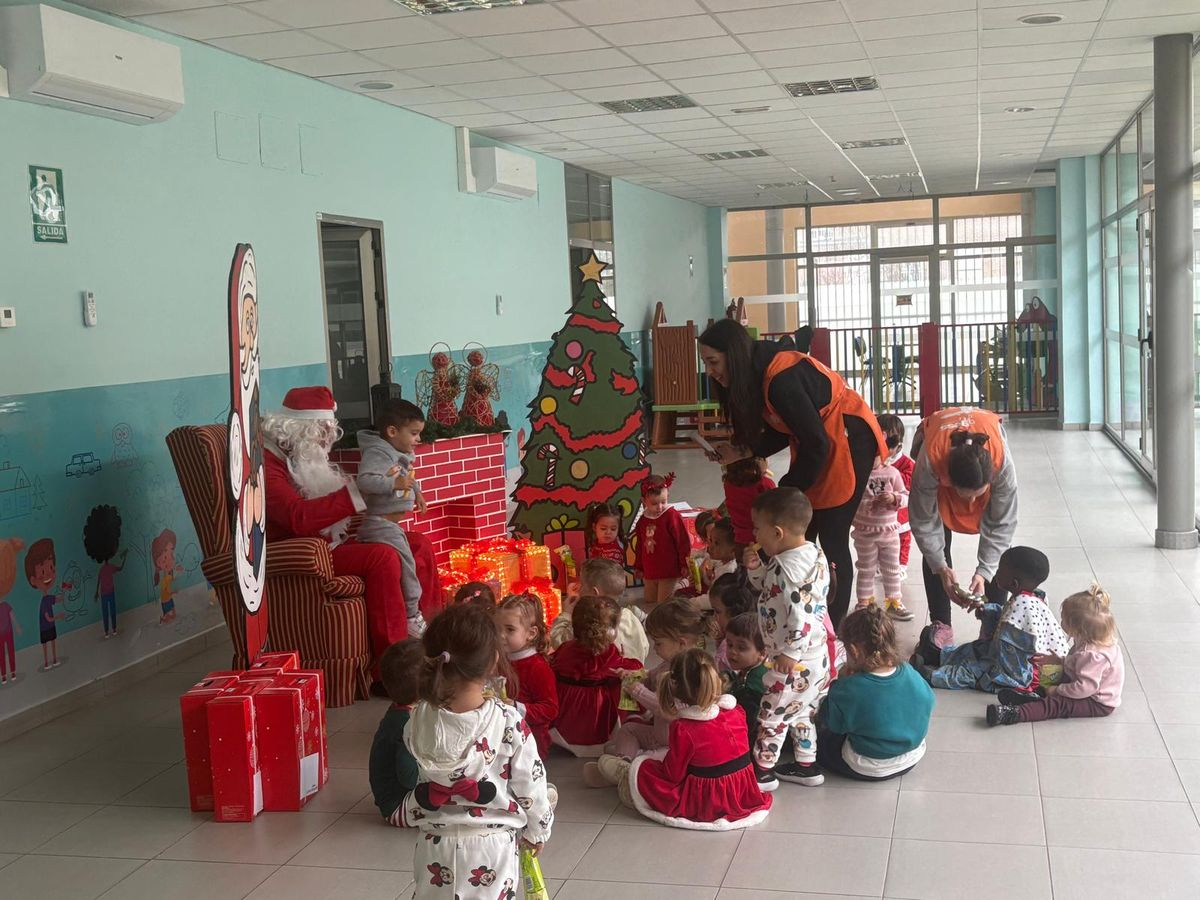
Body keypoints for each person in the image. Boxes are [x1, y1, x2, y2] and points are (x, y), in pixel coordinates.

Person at [699, 319, 888, 627]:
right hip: (818, 440)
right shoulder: (757, 373)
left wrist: (784, 493)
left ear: (733, 355)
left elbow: (815, 443)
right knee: (803, 531)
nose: (710, 371)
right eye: (706, 362)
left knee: (831, 533)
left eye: (713, 361)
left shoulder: (781, 379)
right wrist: (742, 450)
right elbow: (786, 428)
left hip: (847, 438)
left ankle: (834, 626)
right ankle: (799, 609)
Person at [262, 386, 439, 673]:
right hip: (301, 553)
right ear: (299, 428)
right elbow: (297, 518)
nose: (327, 439)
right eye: (322, 430)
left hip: (331, 542)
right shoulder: (268, 465)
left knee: (418, 543)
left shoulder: (302, 455)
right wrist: (358, 494)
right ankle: (394, 669)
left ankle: (431, 639)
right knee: (382, 557)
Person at [400, 605, 553, 900]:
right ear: (494, 660)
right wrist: (538, 830)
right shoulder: (508, 721)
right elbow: (530, 786)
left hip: (435, 844)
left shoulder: (418, 718)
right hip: (492, 845)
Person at [589, 649, 772, 831]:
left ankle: (625, 775)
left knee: (646, 769)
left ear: (675, 686)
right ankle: (622, 771)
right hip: (741, 790)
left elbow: (672, 774)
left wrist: (651, 767)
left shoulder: (684, 728)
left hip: (708, 799)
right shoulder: (736, 711)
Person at [743, 487, 831, 789]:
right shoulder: (812, 554)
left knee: (772, 715)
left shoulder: (786, 570)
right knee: (802, 711)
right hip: (817, 658)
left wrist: (790, 654)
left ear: (777, 532)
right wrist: (755, 569)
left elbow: (802, 613)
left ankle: (763, 771)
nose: (755, 535)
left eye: (757, 528)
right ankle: (807, 765)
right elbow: (771, 590)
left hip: (792, 662)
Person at [908, 406, 1018, 631]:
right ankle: (941, 627)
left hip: (982, 462)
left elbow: (1001, 524)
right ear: (948, 481)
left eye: (978, 495)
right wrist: (940, 567)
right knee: (936, 553)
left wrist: (985, 571)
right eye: (964, 496)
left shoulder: (1002, 464)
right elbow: (923, 520)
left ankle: (993, 627)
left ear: (991, 479)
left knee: (1000, 553)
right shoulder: (931, 459)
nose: (970, 504)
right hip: (939, 466)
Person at [913, 546, 1071, 694]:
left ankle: (931, 677)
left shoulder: (1023, 606)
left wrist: (988, 662)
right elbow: (1006, 619)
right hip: (1036, 660)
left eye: (1000, 571)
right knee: (977, 648)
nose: (995, 574)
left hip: (1031, 675)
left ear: (1014, 583)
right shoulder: (1031, 596)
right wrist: (986, 611)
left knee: (979, 669)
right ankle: (938, 655)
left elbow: (1007, 658)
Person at [817, 606, 934, 781]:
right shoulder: (908, 671)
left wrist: (838, 684)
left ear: (854, 651)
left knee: (819, 740)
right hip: (912, 757)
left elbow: (830, 722)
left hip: (868, 764)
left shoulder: (849, 688)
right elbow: (928, 700)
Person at [988, 584, 1124, 726]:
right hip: (1081, 684)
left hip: (1096, 702)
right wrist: (1060, 661)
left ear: (1077, 629)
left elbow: (1084, 688)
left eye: (1064, 620)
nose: (1061, 622)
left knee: (1057, 705)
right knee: (1053, 675)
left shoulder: (1093, 655)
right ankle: (1036, 696)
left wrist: (1057, 690)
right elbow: (1079, 664)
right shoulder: (1087, 640)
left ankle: (1014, 713)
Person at [599, 599, 708, 767]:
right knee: (628, 730)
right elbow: (653, 676)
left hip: (675, 740)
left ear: (681, 643)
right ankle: (622, 763)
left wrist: (638, 690)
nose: (654, 648)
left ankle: (631, 765)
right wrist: (634, 675)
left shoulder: (687, 673)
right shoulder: (670, 662)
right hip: (660, 733)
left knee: (652, 759)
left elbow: (667, 708)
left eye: (658, 643)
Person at [355, 399, 430, 638]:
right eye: (414, 433)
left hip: (390, 524)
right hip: (378, 524)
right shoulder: (377, 453)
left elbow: (409, 477)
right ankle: (411, 615)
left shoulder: (397, 453)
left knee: (410, 559)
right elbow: (365, 480)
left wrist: (417, 493)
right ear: (392, 431)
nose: (418, 439)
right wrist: (393, 483)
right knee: (407, 564)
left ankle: (415, 612)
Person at [549, 595, 644, 757]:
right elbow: (632, 669)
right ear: (611, 631)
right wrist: (623, 662)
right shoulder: (609, 655)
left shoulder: (565, 649)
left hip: (562, 730)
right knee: (633, 671)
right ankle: (634, 717)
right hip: (599, 730)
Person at [549, 558, 648, 663]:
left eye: (581, 584)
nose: (578, 588)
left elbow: (560, 643)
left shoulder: (590, 623)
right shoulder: (630, 616)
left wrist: (567, 614)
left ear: (594, 593)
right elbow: (644, 646)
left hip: (605, 678)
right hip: (633, 675)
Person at [368, 639, 422, 826]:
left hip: (393, 800)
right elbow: (408, 777)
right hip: (399, 807)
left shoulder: (400, 711)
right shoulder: (407, 724)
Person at [497, 594, 559, 756]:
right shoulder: (499, 659)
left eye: (510, 629)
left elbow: (550, 709)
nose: (501, 635)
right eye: (498, 629)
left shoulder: (537, 667)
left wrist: (516, 707)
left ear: (531, 633)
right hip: (506, 736)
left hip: (531, 743)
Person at [851, 457, 911, 621]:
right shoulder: (856, 472)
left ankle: (893, 603)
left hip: (889, 533)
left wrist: (894, 498)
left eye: (874, 453)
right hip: (864, 534)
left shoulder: (892, 473)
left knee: (892, 569)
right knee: (866, 569)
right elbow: (849, 497)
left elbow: (906, 496)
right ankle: (864, 604)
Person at [634, 473, 690, 605]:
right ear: (644, 501)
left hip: (669, 570)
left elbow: (682, 541)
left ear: (668, 496)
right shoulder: (642, 520)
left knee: (663, 604)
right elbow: (640, 546)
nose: (659, 507)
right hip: (650, 571)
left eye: (663, 501)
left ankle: (682, 585)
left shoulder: (671, 516)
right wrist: (639, 567)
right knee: (649, 601)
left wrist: (684, 563)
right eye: (654, 503)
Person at [722, 611, 769, 747]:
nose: (732, 651)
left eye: (741, 647)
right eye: (729, 644)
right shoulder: (749, 668)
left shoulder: (755, 682)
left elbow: (750, 719)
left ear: (762, 653)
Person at [875, 414, 915, 567]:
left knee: (902, 538)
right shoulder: (874, 460)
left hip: (900, 513)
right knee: (879, 540)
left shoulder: (906, 463)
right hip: (879, 514)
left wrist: (890, 477)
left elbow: (908, 483)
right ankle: (880, 563)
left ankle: (901, 564)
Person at [722, 457, 775, 554]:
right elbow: (775, 510)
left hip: (739, 538)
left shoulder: (728, 482)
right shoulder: (765, 483)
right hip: (761, 541)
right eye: (764, 458)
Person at [26, 539, 64, 671]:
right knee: (46, 644)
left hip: (50, 627)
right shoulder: (43, 602)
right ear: (33, 580)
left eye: (51, 568)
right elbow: (47, 617)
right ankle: (47, 662)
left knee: (52, 642)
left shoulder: (49, 598)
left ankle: (53, 659)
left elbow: (58, 599)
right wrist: (58, 617)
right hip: (46, 628)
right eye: (42, 572)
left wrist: (66, 590)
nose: (48, 574)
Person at [708, 571, 756, 670]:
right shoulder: (756, 633)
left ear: (734, 613)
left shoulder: (725, 651)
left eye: (717, 611)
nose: (714, 616)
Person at [0, 538, 22, 684]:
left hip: (8, 632)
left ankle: (12, 671)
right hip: (2, 634)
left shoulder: (6, 605)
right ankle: (3, 675)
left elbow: (12, 616)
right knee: (1, 654)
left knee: (10, 651)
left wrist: (17, 627)